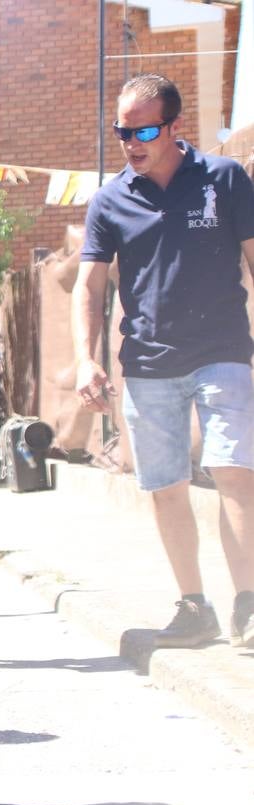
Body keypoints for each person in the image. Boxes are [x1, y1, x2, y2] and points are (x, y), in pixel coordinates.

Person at [72, 73, 254, 649]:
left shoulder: (224, 179)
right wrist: (86, 359)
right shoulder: (109, 200)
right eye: (123, 131)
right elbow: (89, 287)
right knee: (166, 485)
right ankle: (194, 607)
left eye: (144, 129)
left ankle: (248, 608)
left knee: (234, 472)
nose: (131, 142)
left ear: (175, 126)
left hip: (223, 351)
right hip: (147, 364)